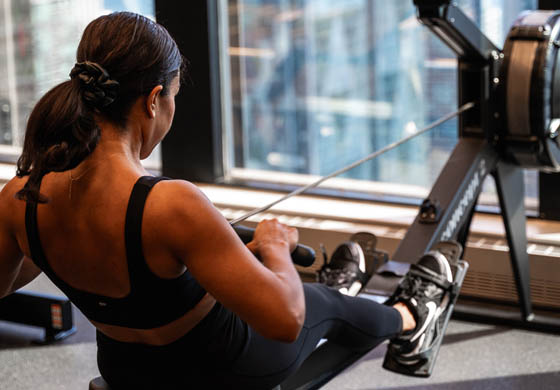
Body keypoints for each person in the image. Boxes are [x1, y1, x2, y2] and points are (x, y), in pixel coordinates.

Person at [0, 12, 453, 389]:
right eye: (174, 97)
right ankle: (411, 318)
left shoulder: (21, 196)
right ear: (154, 100)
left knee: (252, 285)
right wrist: (275, 246)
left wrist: (53, 245)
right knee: (319, 305)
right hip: (224, 368)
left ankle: (342, 291)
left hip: (127, 370)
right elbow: (286, 321)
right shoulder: (171, 204)